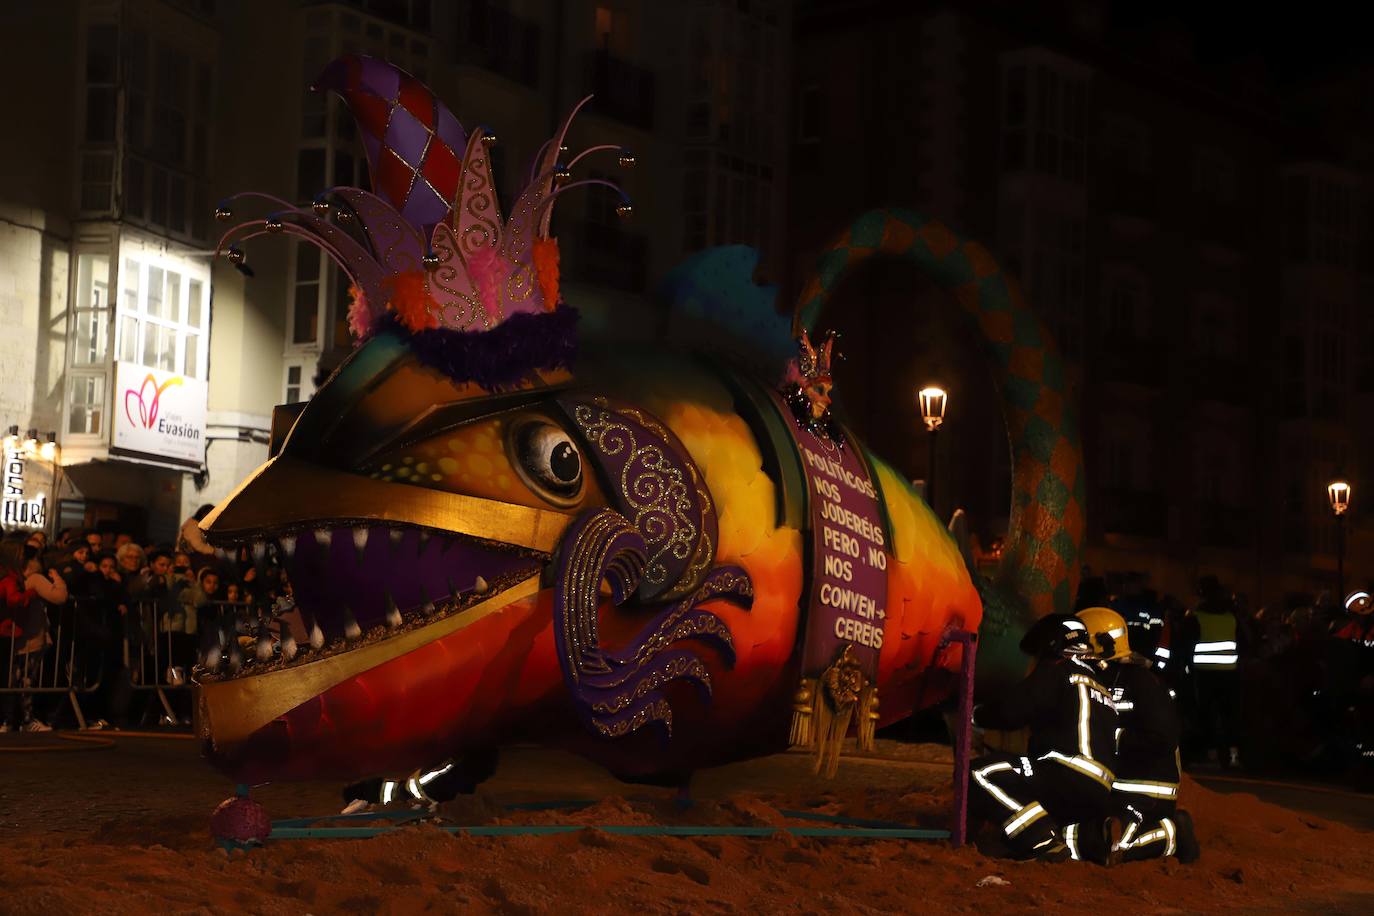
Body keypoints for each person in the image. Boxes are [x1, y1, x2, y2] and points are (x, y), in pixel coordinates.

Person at [968, 614, 1119, 862]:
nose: (1035, 662)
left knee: (978, 773)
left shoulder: (1058, 669)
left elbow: (1013, 710)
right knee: (1037, 806)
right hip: (1100, 788)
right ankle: (1090, 840)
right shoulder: (1100, 685)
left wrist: (975, 716)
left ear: (1052, 645)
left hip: (1066, 772)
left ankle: (1042, 841)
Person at [1076, 606, 1200, 863]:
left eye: (1081, 643)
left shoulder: (1143, 683)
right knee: (1082, 839)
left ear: (1102, 644)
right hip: (1108, 788)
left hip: (1146, 793)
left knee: (1112, 850)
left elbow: (1163, 739)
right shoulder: (1094, 680)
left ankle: (1172, 833)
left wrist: (1112, 738)